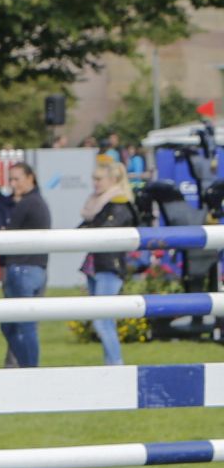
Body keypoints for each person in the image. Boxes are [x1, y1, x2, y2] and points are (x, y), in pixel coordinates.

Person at [80, 154, 137, 365]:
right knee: (105, 321)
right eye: (94, 179)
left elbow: (102, 232)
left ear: (113, 180)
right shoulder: (101, 204)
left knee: (102, 321)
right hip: (97, 265)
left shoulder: (118, 204)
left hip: (109, 267)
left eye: (99, 179)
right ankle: (111, 365)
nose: (95, 183)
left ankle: (116, 364)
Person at [0, 164, 51, 367]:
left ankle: (30, 369)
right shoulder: (37, 202)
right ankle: (28, 368)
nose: (13, 184)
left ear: (31, 178)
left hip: (22, 269)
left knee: (21, 325)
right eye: (11, 179)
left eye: (17, 179)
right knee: (16, 325)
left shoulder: (27, 203)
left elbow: (9, 236)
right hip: (35, 269)